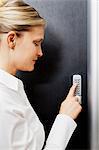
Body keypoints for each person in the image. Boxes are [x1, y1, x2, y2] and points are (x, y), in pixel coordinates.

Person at [0, 0, 82, 149]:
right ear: (11, 40)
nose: (40, 52)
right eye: (36, 43)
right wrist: (65, 119)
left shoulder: (12, 90)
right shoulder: (3, 102)